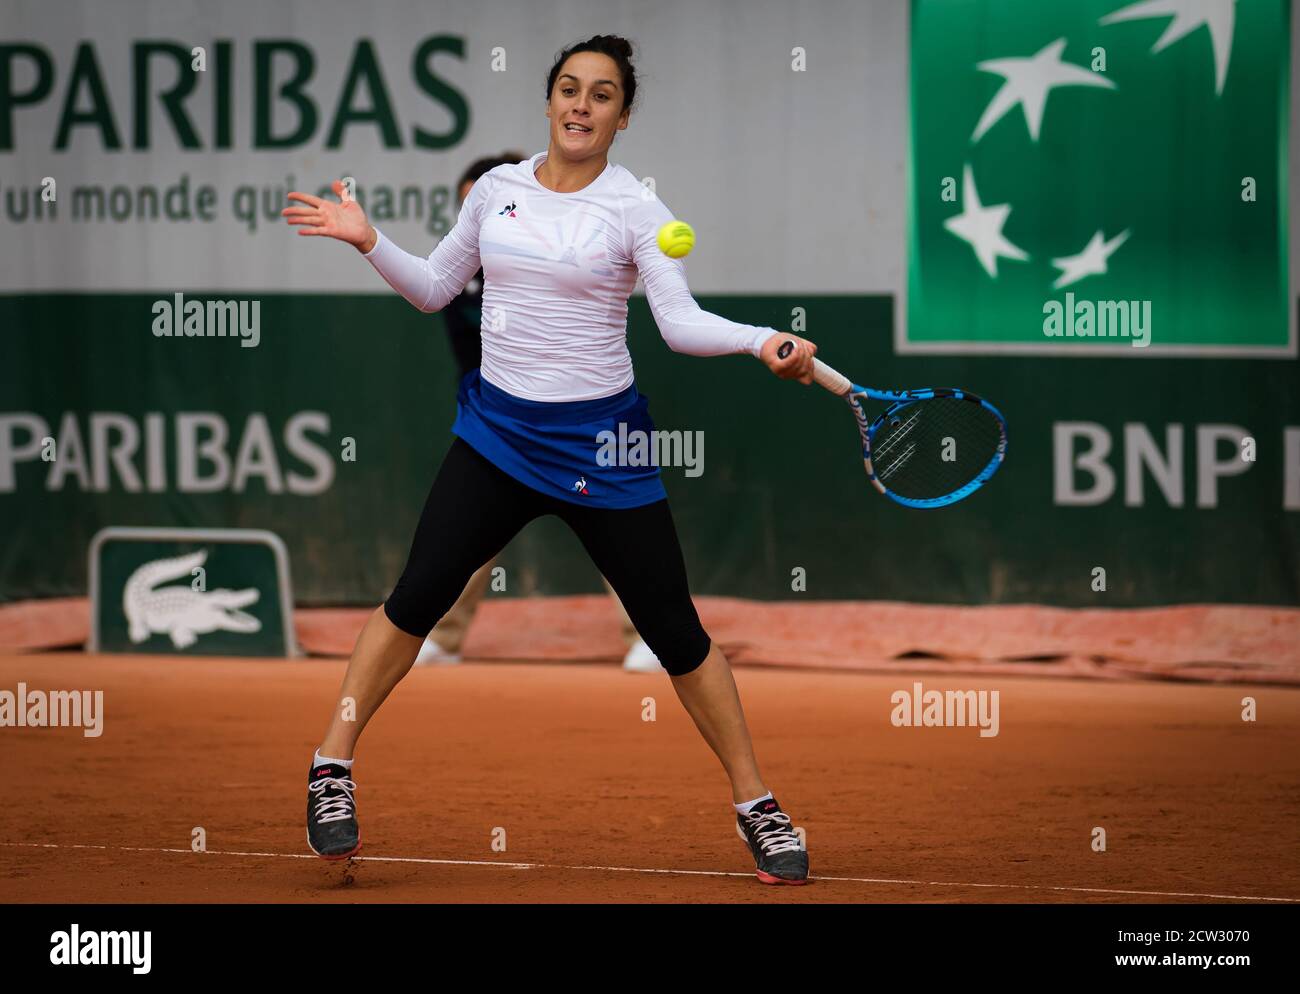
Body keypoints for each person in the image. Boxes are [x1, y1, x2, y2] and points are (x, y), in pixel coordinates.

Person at [283, 34, 816, 885]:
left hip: (605, 443)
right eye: (569, 89)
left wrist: (761, 341)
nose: (581, 105)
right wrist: (366, 239)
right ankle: (332, 766)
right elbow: (432, 288)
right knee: (416, 596)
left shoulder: (637, 209)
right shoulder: (495, 192)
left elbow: (678, 325)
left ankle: (758, 804)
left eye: (601, 95)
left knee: (676, 633)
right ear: (548, 101)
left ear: (622, 115)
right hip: (497, 436)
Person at [416, 152, 665, 674]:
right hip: (501, 421)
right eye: (468, 207)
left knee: (619, 530)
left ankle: (647, 636)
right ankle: (443, 636)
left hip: (585, 422)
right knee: (468, 534)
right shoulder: (459, 276)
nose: (479, 218)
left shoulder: (564, 260)